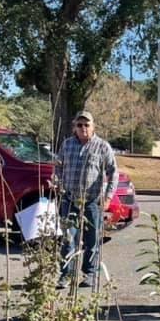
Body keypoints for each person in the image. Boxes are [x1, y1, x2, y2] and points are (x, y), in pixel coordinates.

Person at [55, 110, 118, 289]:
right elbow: (58, 168)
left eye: (87, 125)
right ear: (74, 127)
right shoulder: (67, 145)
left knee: (92, 241)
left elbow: (113, 173)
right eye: (79, 125)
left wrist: (107, 198)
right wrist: (57, 183)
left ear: (93, 126)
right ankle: (65, 275)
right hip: (69, 200)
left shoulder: (102, 146)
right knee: (68, 240)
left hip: (92, 203)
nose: (83, 128)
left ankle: (89, 274)